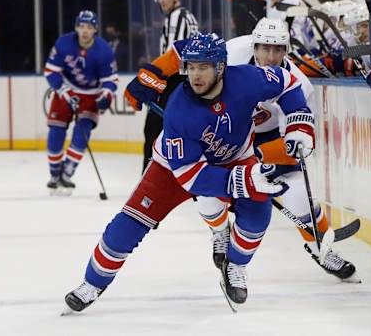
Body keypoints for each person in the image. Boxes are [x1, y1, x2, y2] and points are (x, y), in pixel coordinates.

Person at [63, 32, 314, 313]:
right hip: (173, 168)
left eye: (203, 67)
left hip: (236, 157)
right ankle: (92, 283)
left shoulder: (247, 79)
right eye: (191, 67)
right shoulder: (178, 111)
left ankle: (236, 265)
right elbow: (191, 177)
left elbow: (289, 84)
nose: (195, 75)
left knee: (258, 215)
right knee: (129, 223)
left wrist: (299, 123)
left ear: (221, 67)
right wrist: (243, 181)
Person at [125, 18, 358, 282]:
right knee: (207, 192)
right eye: (263, 49)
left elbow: (295, 142)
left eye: (277, 50)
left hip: (267, 140)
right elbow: (186, 50)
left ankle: (322, 249)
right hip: (223, 133)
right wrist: (152, 73)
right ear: (253, 45)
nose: (270, 56)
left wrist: (259, 164)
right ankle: (220, 232)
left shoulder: (298, 85)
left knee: (299, 196)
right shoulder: (235, 51)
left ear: (287, 50)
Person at [44, 10, 118, 195]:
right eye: (82, 26)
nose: (85, 31)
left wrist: (106, 94)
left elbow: (111, 79)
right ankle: (54, 174)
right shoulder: (64, 43)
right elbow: (51, 71)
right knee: (56, 130)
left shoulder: (104, 51)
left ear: (95, 30)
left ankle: (67, 172)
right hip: (66, 89)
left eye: (89, 27)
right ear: (76, 27)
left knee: (83, 129)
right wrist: (63, 91)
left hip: (91, 94)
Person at [131, 0, 199, 173]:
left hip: (175, 82)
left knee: (153, 129)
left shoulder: (178, 17)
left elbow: (174, 56)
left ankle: (149, 178)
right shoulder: (183, 16)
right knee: (164, 130)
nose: (162, 0)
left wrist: (152, 79)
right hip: (183, 82)